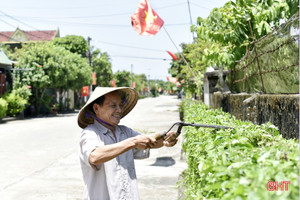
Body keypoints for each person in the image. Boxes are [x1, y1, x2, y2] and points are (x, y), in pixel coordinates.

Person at [77, 87, 178, 200]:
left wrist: (166, 140)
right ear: (96, 108)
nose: (119, 110)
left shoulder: (125, 132)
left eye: (120, 105)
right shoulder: (90, 133)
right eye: (113, 105)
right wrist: (133, 142)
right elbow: (95, 156)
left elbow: (149, 141)